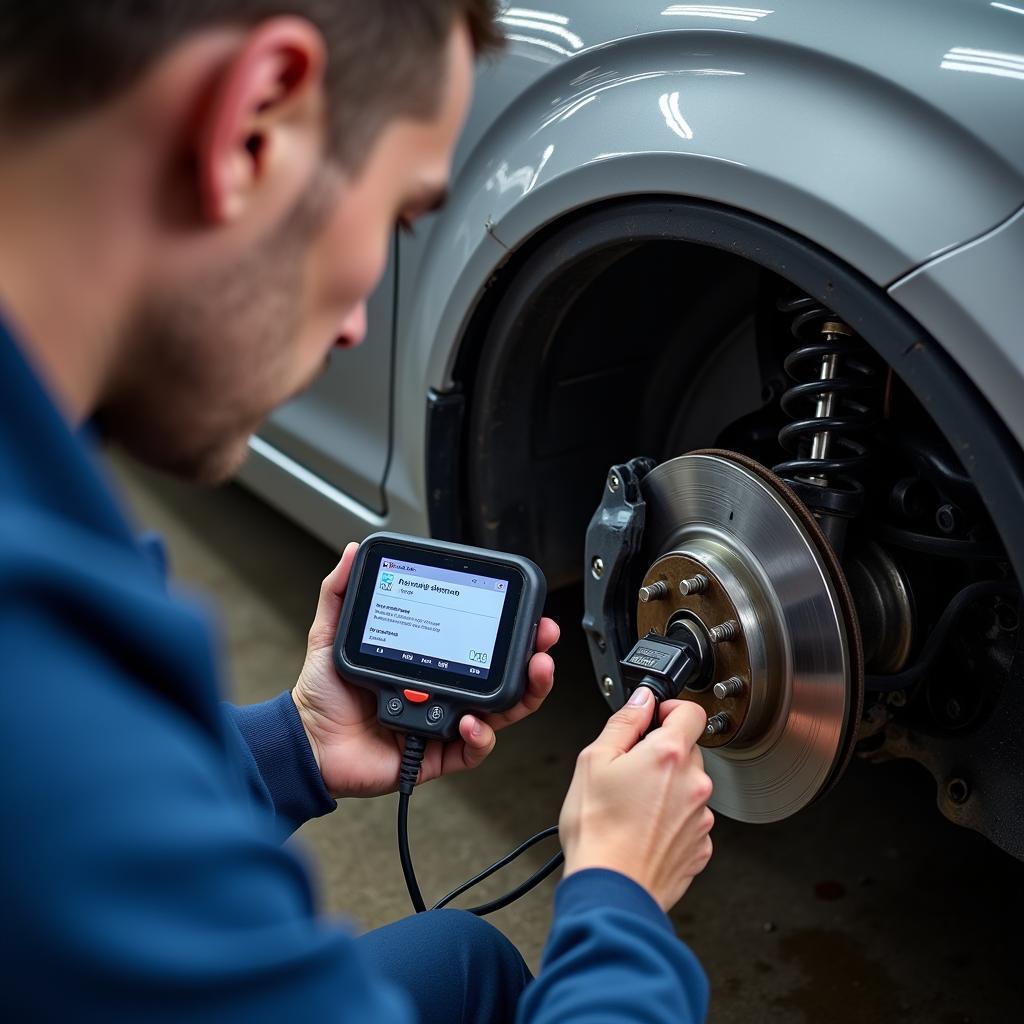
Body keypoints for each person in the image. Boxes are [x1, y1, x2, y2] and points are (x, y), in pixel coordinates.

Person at [0, 2, 715, 1021]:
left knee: (462, 960)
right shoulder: (51, 692)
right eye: (396, 217)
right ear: (254, 124)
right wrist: (619, 898)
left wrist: (293, 745)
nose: (355, 326)